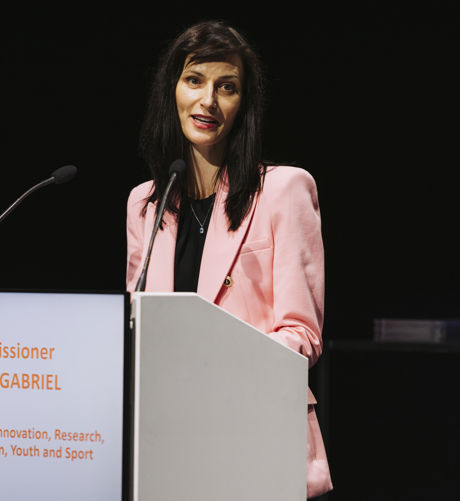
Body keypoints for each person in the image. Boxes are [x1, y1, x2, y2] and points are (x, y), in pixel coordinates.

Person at [125, 20, 333, 498]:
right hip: (166, 441)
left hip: (254, 434)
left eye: (227, 88)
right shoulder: (144, 203)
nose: (208, 102)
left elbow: (301, 333)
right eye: (194, 80)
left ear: (243, 105)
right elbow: (137, 322)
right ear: (171, 90)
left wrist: (220, 378)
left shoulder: (283, 189)